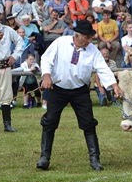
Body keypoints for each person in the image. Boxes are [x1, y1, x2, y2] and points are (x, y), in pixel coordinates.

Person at [36, 19, 124, 171]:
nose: (91, 41)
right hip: (58, 89)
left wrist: (114, 86)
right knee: (49, 122)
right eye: (88, 37)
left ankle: (95, 159)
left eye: (91, 38)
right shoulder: (60, 43)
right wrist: (47, 76)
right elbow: (46, 59)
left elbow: (102, 68)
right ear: (77, 36)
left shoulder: (93, 51)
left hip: (80, 91)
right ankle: (44, 158)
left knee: (88, 123)